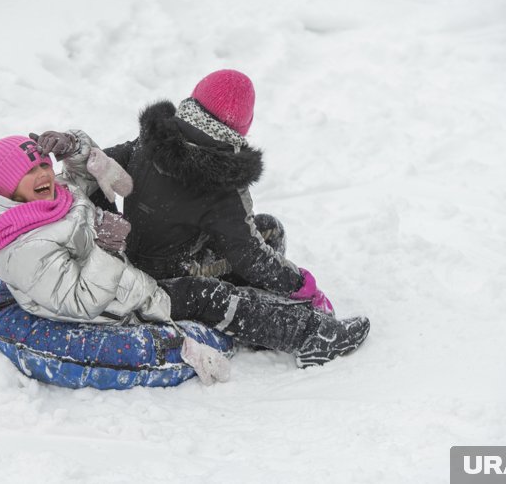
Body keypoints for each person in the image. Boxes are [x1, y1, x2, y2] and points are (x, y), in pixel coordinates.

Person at [0, 133, 369, 370]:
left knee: (262, 232)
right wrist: (105, 250)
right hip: (119, 309)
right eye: (29, 172)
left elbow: (83, 173)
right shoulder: (22, 245)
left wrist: (74, 145)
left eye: (42, 165)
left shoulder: (51, 197)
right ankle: (310, 337)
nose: (43, 175)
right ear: (6, 188)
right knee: (207, 296)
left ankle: (261, 315)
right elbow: (78, 301)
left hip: (129, 274)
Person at [100, 69, 336, 315]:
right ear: (243, 126)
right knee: (270, 230)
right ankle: (259, 305)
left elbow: (101, 164)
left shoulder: (151, 140)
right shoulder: (223, 181)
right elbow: (249, 255)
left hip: (126, 255)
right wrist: (300, 283)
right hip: (175, 276)